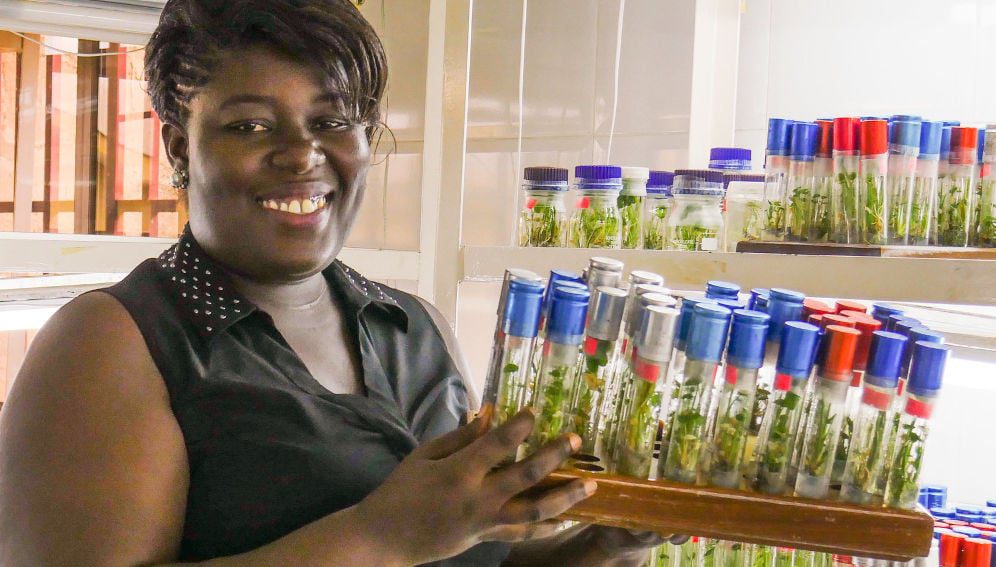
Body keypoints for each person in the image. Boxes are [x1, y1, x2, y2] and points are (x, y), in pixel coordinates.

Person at [0, 1, 677, 565]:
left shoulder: (415, 324)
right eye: (251, 124)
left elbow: (468, 554)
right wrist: (377, 535)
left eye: (331, 121)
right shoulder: (114, 342)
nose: (301, 153)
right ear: (179, 144)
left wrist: (602, 542)